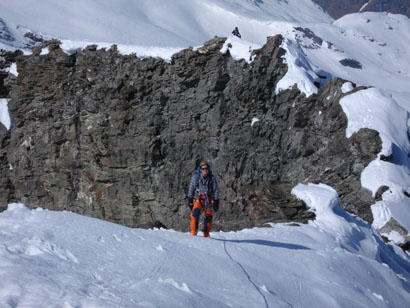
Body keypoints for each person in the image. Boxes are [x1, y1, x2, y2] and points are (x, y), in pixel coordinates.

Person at [187, 161, 219, 237]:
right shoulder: (195, 177)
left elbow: (215, 190)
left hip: (208, 199)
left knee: (208, 216)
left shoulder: (212, 178)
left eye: (206, 168)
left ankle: (206, 232)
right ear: (200, 169)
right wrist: (190, 199)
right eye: (203, 168)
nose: (205, 170)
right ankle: (194, 230)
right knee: (195, 213)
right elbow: (191, 188)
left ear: (208, 169)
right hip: (198, 198)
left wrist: (216, 201)